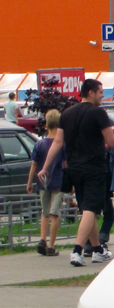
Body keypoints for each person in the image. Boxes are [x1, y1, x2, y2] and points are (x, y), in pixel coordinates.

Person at [38, 79, 114, 267]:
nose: (103, 95)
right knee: (91, 209)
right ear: (91, 93)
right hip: (94, 167)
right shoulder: (98, 113)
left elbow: (58, 142)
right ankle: (77, 250)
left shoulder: (67, 114)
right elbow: (111, 141)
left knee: (87, 208)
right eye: (100, 92)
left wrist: (45, 167)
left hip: (74, 169)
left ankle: (97, 250)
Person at [26, 109, 65, 256]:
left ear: (46, 126)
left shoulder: (39, 144)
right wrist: (71, 184)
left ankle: (42, 239)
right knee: (55, 214)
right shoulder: (61, 144)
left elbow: (34, 165)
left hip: (43, 182)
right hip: (58, 181)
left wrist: (30, 182)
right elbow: (66, 164)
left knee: (45, 212)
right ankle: (51, 246)